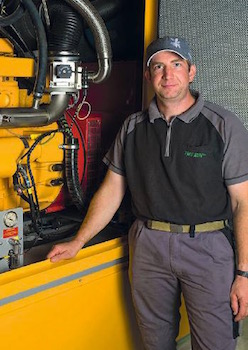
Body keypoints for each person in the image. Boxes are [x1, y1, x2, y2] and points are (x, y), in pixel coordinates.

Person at [47, 36, 248, 350]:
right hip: (147, 247)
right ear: (148, 75)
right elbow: (112, 189)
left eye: (176, 64)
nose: (168, 75)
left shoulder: (223, 125)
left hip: (208, 250)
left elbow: (243, 203)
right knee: (154, 342)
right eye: (158, 66)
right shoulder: (132, 127)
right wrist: (78, 241)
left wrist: (244, 273)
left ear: (192, 72)